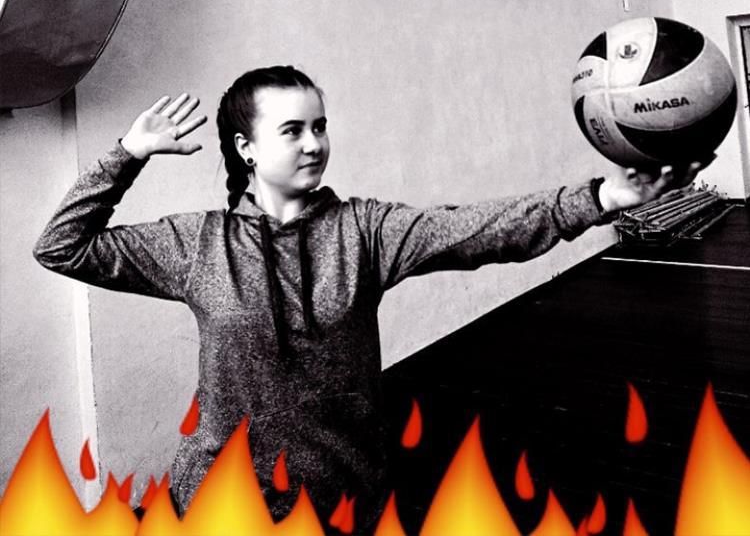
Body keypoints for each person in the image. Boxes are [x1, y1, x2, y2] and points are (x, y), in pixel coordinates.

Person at [33, 65, 703, 533]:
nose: (315, 143)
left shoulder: (365, 230)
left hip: (342, 497)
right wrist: (128, 153)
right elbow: (61, 245)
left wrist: (600, 197)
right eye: (292, 130)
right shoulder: (197, 244)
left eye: (320, 125)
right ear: (245, 148)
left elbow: (479, 228)